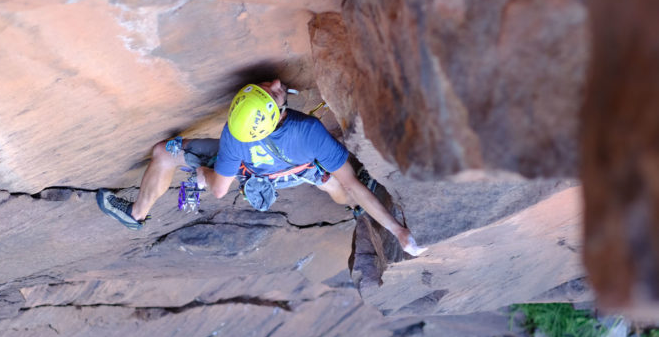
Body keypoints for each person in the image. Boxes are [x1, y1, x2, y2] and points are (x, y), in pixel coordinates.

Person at [97, 79, 427, 256]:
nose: (276, 83)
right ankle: (357, 209)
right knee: (341, 188)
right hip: (302, 170)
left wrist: (206, 176)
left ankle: (136, 214)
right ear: (276, 114)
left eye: (267, 89)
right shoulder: (308, 130)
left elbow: (220, 189)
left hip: (252, 173)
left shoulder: (234, 136)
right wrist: (397, 231)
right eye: (273, 93)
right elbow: (351, 184)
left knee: (165, 153)